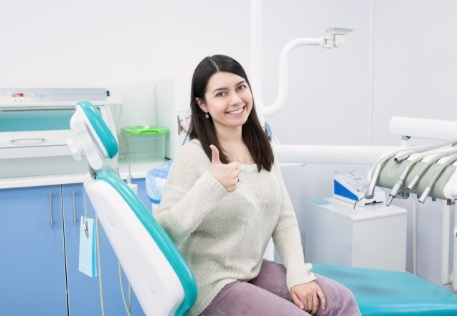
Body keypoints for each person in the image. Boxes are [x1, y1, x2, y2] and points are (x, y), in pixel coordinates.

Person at [155, 54, 361, 316]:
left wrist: (298, 274)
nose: (236, 100)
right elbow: (163, 233)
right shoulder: (193, 155)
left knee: (340, 301)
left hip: (250, 269)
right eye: (221, 93)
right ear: (202, 104)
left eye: (241, 87)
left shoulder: (262, 147)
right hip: (209, 284)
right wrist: (210, 186)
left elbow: (283, 216)